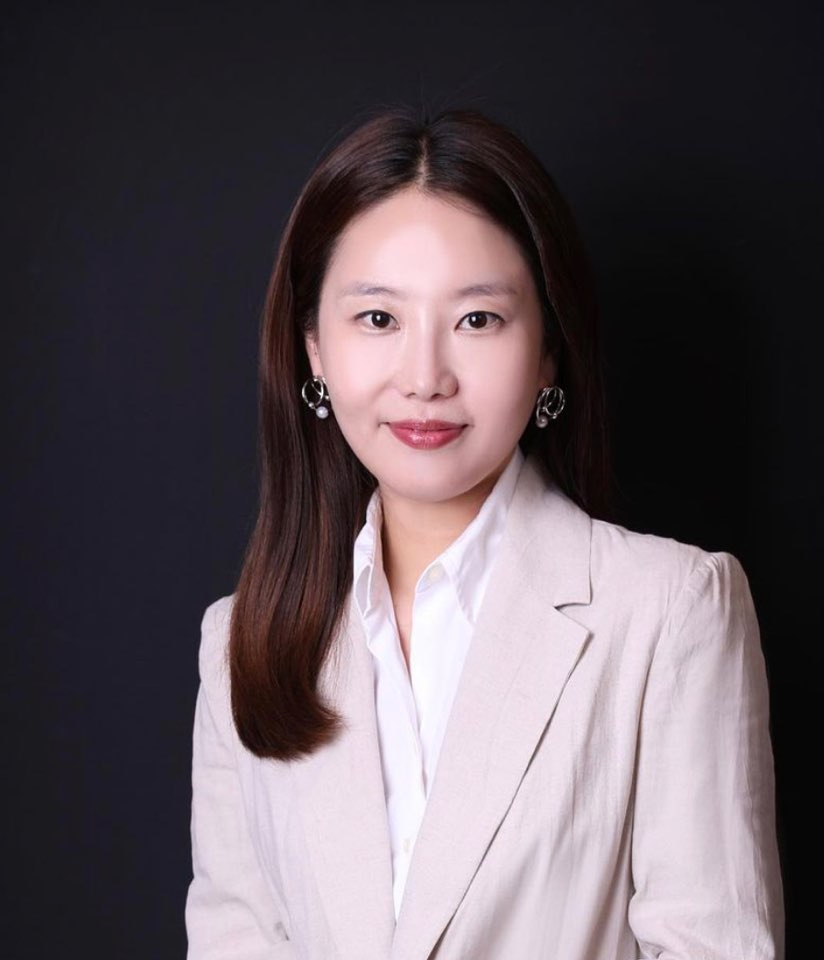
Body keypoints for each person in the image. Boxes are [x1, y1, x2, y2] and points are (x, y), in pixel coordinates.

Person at [184, 105, 785, 960]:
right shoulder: (239, 642)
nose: (425, 378)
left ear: (548, 353)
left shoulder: (670, 612)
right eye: (378, 319)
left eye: (478, 320)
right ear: (313, 347)